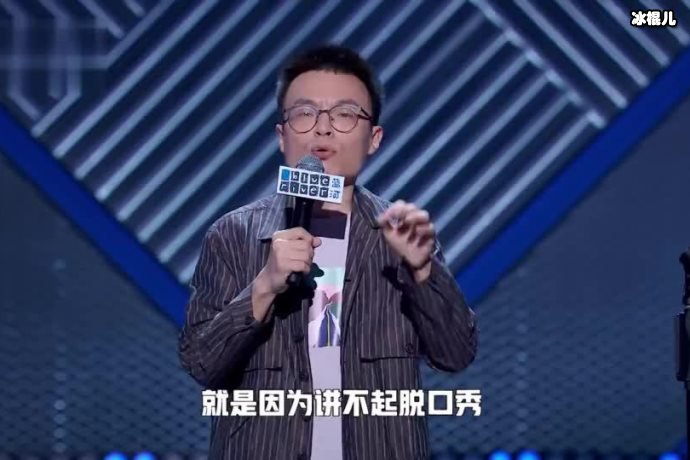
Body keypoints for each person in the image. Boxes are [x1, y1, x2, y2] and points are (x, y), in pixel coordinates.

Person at [178, 44, 478, 460]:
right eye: (305, 114)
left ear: (373, 139)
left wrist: (423, 271)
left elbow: (456, 354)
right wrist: (263, 288)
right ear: (281, 136)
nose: (322, 129)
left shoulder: (401, 238)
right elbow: (201, 364)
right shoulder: (233, 235)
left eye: (344, 114)